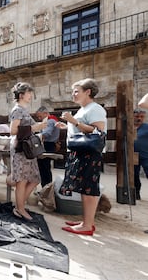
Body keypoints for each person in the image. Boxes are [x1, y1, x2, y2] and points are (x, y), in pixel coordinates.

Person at [55, 78, 107, 236]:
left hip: (89, 154)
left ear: (88, 92)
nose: (73, 94)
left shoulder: (95, 108)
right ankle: (86, 222)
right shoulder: (84, 109)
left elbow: (97, 131)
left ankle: (87, 225)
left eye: (76, 91)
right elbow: (82, 128)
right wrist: (67, 125)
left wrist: (74, 121)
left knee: (89, 189)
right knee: (85, 188)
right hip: (80, 153)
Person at [9, 82, 47, 221]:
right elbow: (13, 130)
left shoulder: (23, 110)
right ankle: (20, 208)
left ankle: (19, 206)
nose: (31, 95)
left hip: (27, 149)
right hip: (20, 149)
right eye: (29, 93)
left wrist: (40, 127)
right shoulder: (18, 110)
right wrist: (36, 127)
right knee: (23, 180)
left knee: (34, 179)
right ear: (21, 95)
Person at [35, 106, 60, 187]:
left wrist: (35, 137)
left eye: (40, 116)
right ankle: (46, 189)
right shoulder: (53, 120)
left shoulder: (49, 121)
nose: (39, 118)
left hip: (47, 145)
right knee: (46, 168)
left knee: (44, 168)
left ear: (45, 113)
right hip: (50, 145)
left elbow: (46, 133)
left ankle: (46, 189)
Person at [133, 108, 148, 200]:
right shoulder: (128, 127)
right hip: (133, 155)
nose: (139, 118)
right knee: (134, 175)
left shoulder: (146, 127)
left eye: (142, 117)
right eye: (137, 116)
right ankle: (136, 193)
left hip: (146, 155)